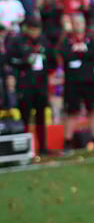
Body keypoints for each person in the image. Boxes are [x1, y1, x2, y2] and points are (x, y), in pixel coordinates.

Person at [6, 16, 52, 157]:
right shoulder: (17, 40)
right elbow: (9, 60)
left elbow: (51, 58)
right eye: (33, 30)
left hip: (40, 83)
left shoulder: (43, 40)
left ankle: (43, 147)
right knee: (25, 116)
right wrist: (25, 62)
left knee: (41, 116)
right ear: (28, 29)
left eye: (37, 30)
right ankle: (25, 148)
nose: (35, 33)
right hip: (25, 84)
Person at [59, 13, 94, 154]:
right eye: (75, 23)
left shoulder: (90, 40)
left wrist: (80, 53)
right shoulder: (67, 41)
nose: (78, 25)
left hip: (89, 81)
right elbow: (66, 55)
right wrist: (79, 53)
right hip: (72, 82)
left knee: (93, 110)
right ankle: (67, 143)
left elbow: (93, 54)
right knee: (71, 112)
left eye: (80, 23)